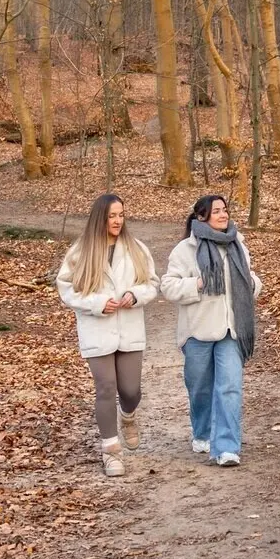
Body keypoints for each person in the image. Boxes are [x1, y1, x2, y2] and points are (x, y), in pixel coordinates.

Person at [56, 193, 159, 477]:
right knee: (105, 388)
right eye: (112, 216)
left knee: (130, 391)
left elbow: (152, 283)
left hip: (129, 328)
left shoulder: (136, 248)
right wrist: (97, 303)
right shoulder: (80, 251)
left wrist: (134, 295)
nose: (117, 221)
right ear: (100, 217)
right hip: (96, 330)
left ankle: (128, 415)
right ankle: (111, 451)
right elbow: (66, 289)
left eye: (121, 215)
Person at [162, 195, 262, 468]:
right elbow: (168, 286)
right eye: (216, 211)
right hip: (198, 331)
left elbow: (250, 277)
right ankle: (203, 432)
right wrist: (196, 284)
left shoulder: (237, 244)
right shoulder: (186, 249)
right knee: (200, 389)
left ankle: (227, 447)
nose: (223, 214)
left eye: (225, 210)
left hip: (232, 329)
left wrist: (251, 283)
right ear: (201, 217)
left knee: (229, 387)